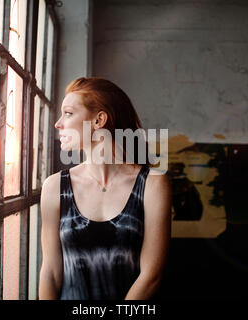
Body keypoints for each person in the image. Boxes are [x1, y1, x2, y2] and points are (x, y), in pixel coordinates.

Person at [38, 77, 171, 300]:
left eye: (68, 113)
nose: (58, 123)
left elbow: (151, 276)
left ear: (99, 120)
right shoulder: (54, 187)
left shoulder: (152, 185)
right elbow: (50, 273)